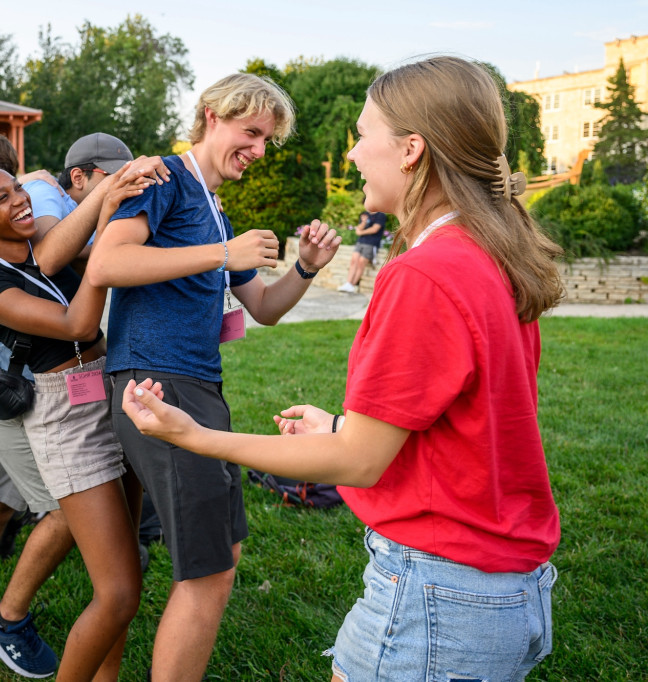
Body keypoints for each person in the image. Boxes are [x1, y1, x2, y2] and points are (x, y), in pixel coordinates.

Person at [120, 56, 563, 682]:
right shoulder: (489, 253)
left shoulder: (425, 273)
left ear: (411, 149)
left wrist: (191, 435)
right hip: (499, 585)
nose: (352, 155)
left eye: (362, 135)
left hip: (435, 595)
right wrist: (339, 426)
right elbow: (468, 420)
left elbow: (358, 461)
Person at [85, 72, 341, 681]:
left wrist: (304, 269)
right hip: (157, 383)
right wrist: (222, 254)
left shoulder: (215, 207)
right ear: (211, 116)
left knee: (221, 554)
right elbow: (108, 262)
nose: (257, 150)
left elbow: (265, 309)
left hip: (197, 386)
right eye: (249, 132)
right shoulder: (165, 178)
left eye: (266, 140)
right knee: (207, 569)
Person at [0, 137, 168, 679]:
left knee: (129, 566)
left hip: (109, 389)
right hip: (63, 416)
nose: (17, 201)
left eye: (15, 188)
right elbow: (77, 326)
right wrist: (103, 260)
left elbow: (98, 239)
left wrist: (112, 196)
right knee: (117, 589)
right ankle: (8, 622)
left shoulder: (42, 240)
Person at [338, 210, 387, 293]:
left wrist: (361, 232)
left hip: (371, 243)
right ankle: (348, 283)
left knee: (361, 263)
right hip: (360, 242)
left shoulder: (380, 215)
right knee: (354, 261)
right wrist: (363, 222)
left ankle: (352, 285)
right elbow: (358, 230)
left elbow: (374, 229)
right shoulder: (364, 214)